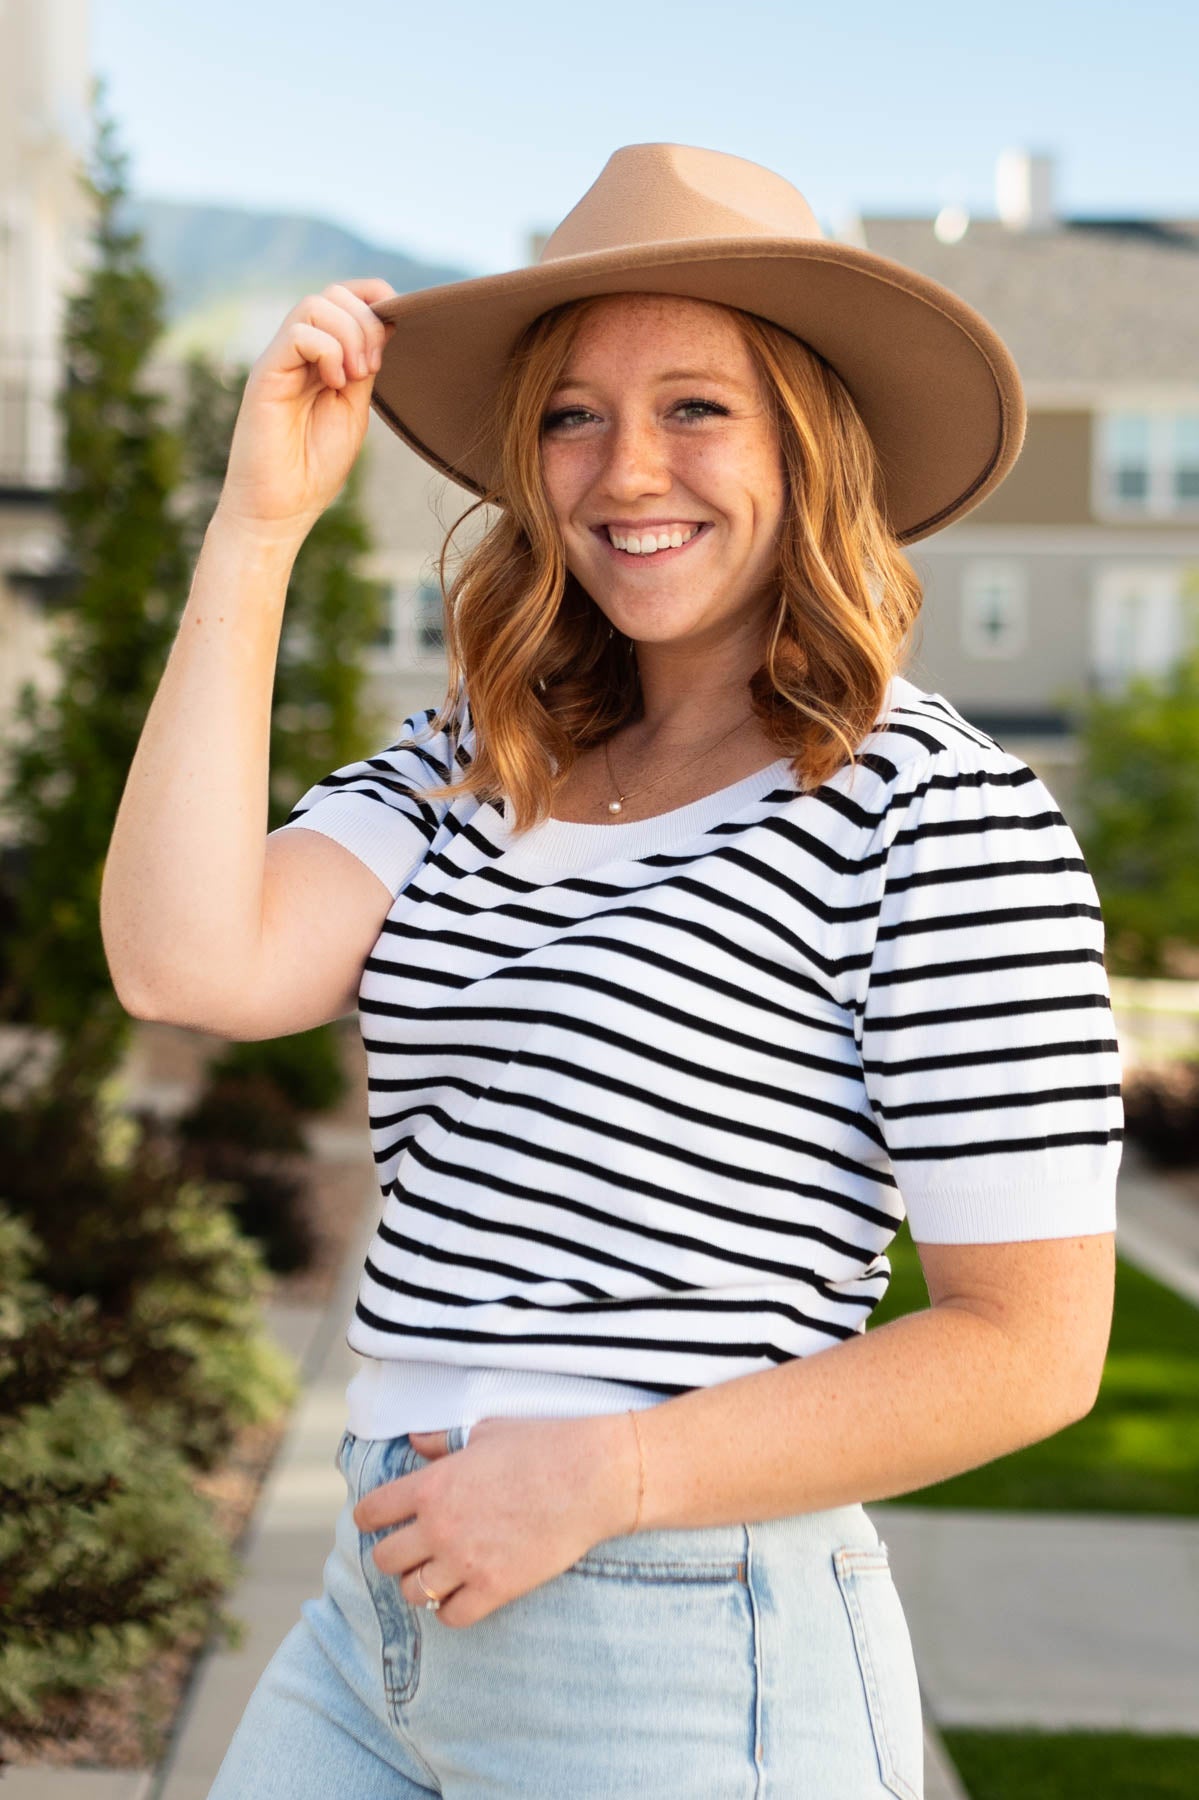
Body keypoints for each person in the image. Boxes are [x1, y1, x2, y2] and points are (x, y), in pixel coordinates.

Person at [100, 143, 1121, 1799]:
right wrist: (258, 529)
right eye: (573, 412)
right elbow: (180, 956)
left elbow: (1029, 1344)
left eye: (697, 407)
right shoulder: (467, 761)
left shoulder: (931, 812)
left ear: (808, 441)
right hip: (380, 1620)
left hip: (688, 1647)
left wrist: (609, 1475)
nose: (623, 467)